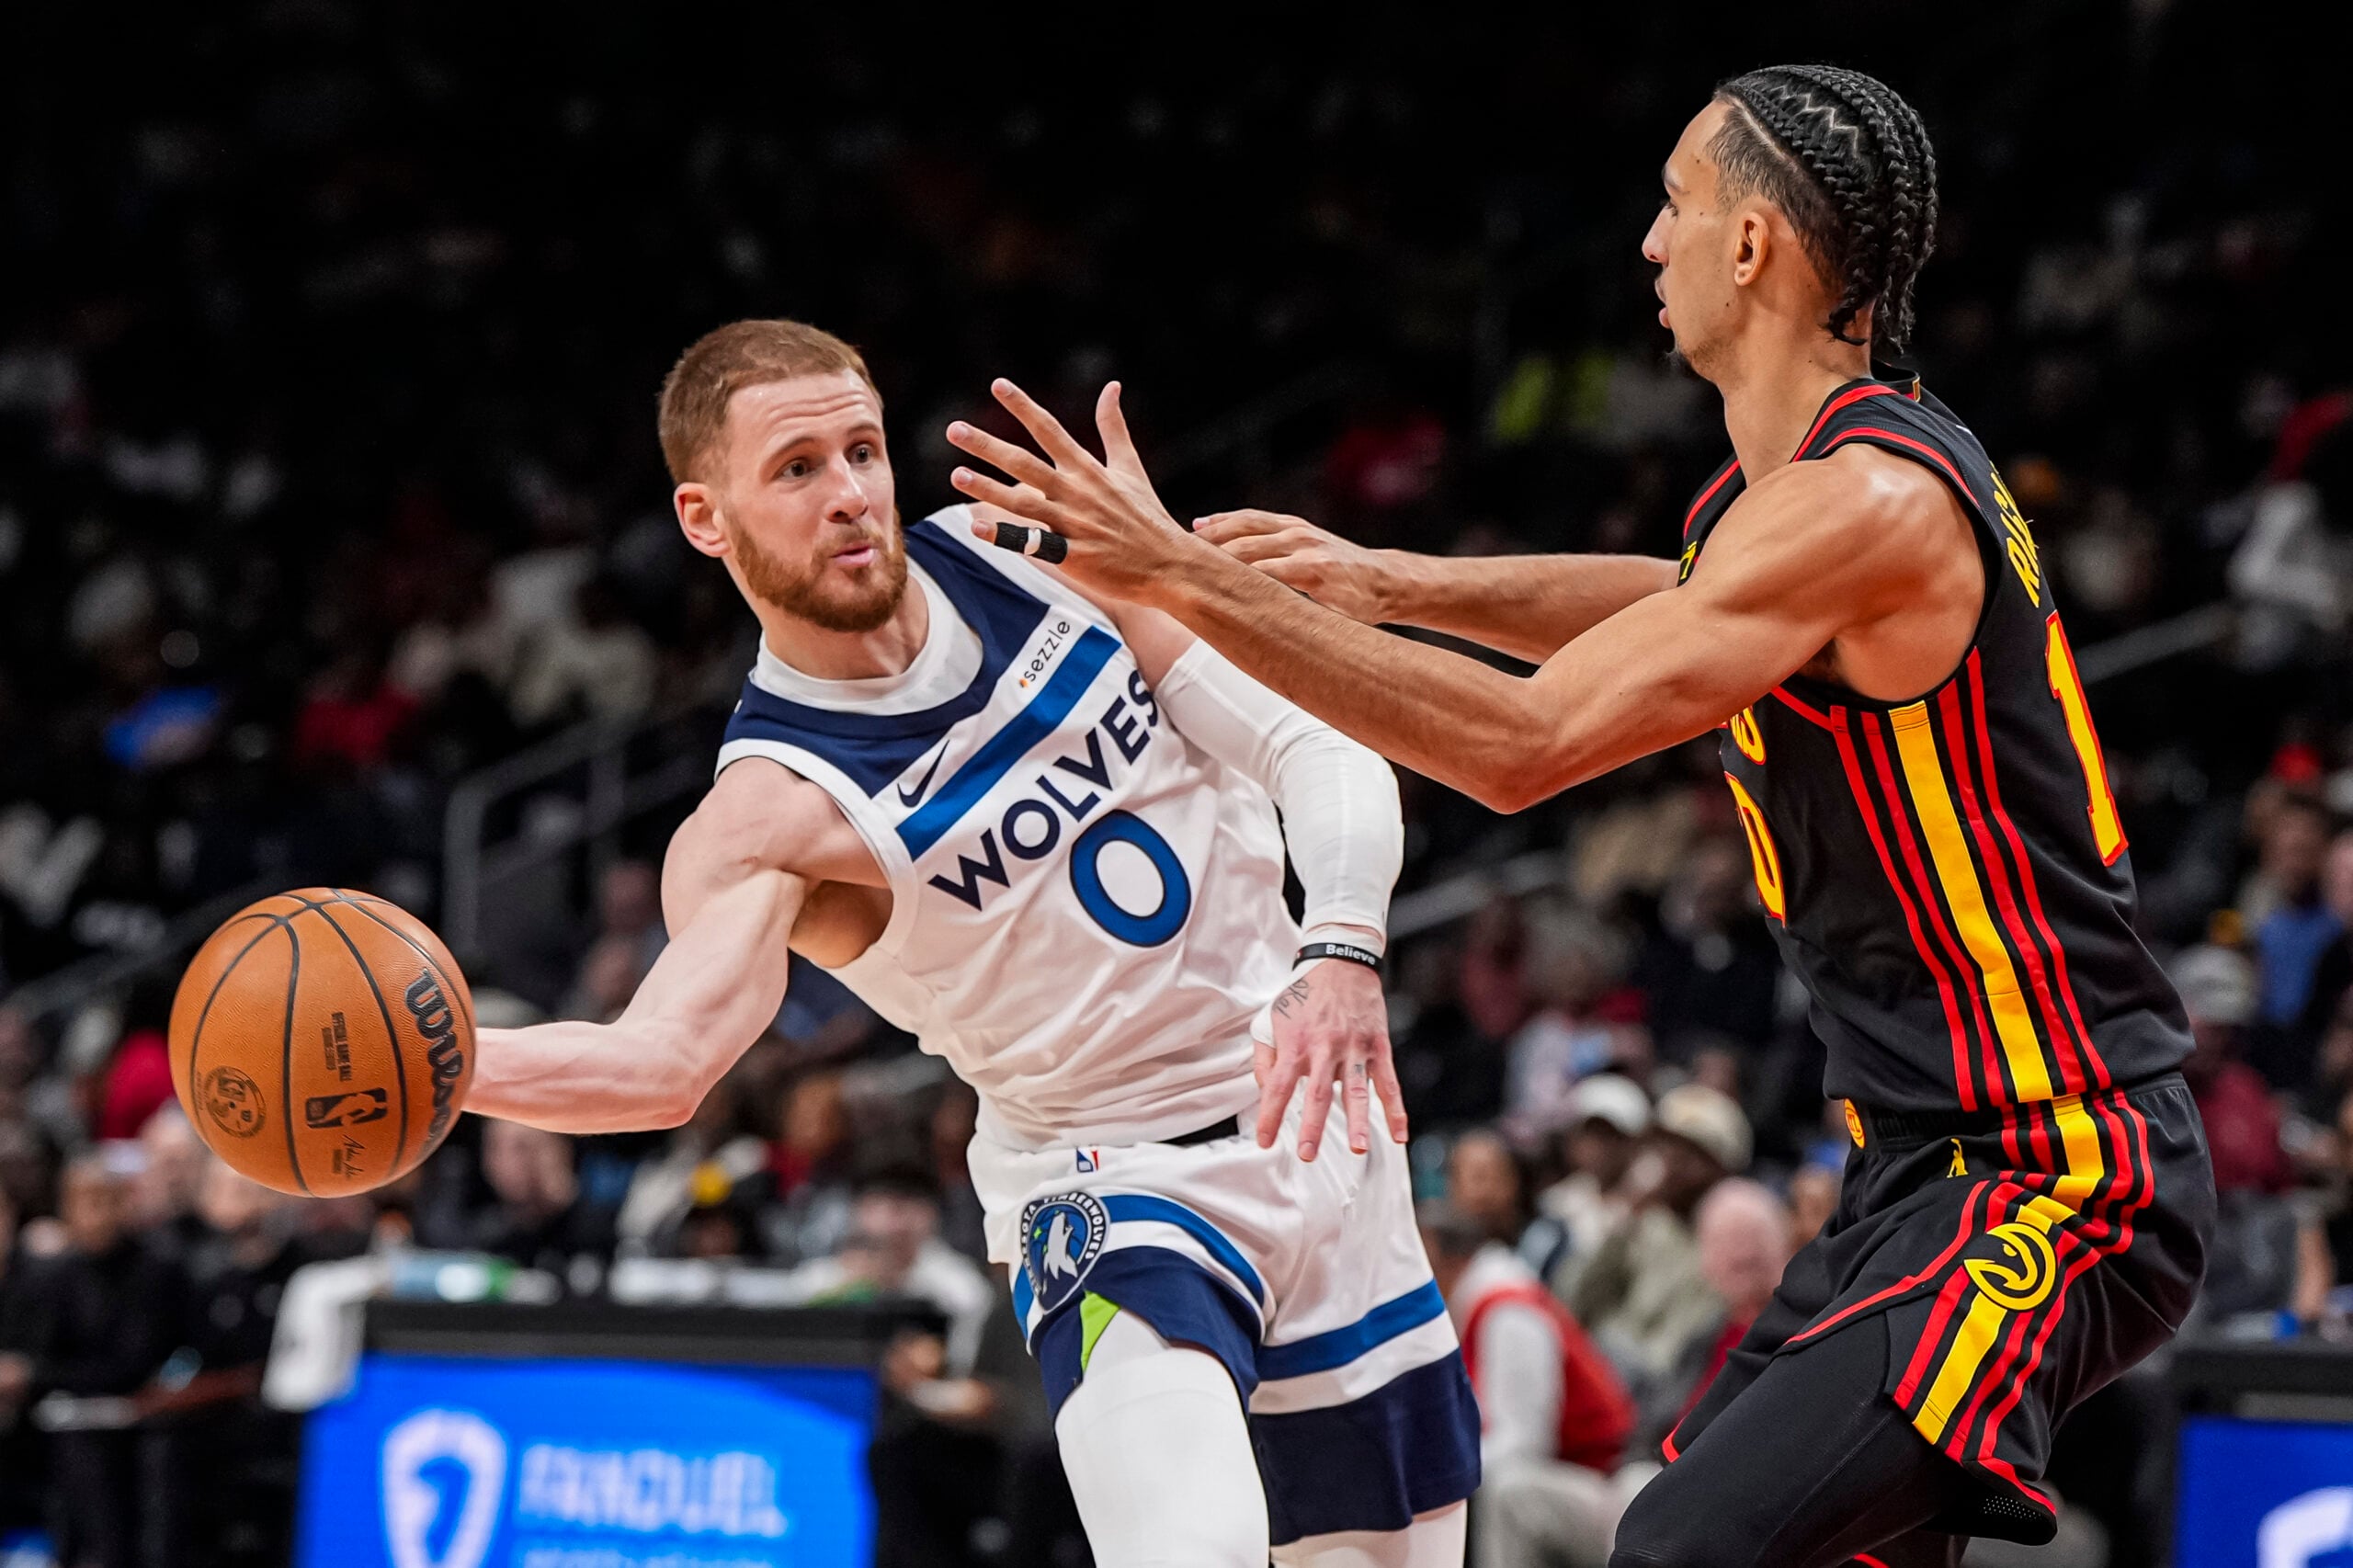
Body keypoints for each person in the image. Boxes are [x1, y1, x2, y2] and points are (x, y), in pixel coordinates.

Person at [949, 63, 2215, 1567]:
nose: (1647, 243)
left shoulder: (1862, 507)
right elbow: (1676, 603)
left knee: (1681, 1550)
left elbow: (1521, 748)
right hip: (1916, 1172)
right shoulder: (1788, 507)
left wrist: (1179, 581)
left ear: (1752, 246)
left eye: (1677, 204)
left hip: (2062, 1168)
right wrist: (1388, 581)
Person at [465, 320, 1478, 1566]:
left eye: (861, 451)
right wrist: (449, 1066)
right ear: (704, 517)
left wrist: (1339, 949)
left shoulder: (1040, 552)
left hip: (1320, 1122)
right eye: (795, 469)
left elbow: (1319, 745)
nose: (847, 495)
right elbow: (662, 1064)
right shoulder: (769, 815)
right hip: (1111, 1183)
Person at [1419, 1200, 1636, 1568]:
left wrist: (1432, 1471)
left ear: (1449, 1256)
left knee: (1505, 1489)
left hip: (1606, 1483)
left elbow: (1523, 1446)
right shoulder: (1474, 1304)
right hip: (1572, 1476)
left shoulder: (1508, 1310)